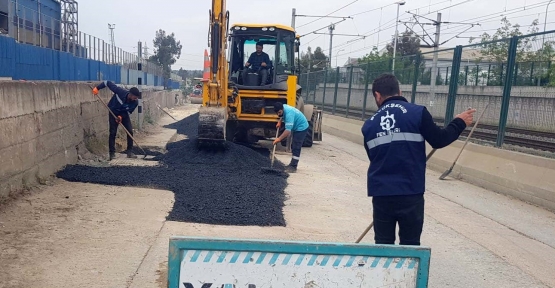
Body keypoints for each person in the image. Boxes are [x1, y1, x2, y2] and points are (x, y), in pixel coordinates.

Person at [361, 73, 476, 246]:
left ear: (377, 95)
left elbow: (375, 158)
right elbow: (439, 140)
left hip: (382, 194)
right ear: (399, 91)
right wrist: (459, 122)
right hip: (410, 192)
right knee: (410, 245)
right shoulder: (418, 113)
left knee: (383, 246)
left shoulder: (369, 125)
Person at [92, 81, 142, 161]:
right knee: (113, 132)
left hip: (124, 114)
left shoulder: (135, 103)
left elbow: (129, 112)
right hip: (113, 111)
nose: (136, 99)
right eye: (135, 97)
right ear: (131, 94)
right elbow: (107, 82)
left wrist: (121, 116)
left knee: (130, 131)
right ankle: (112, 153)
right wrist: (97, 88)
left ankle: (129, 151)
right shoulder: (120, 91)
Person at [273, 102, 309, 173]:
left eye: (279, 112)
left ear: (282, 109)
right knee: (294, 145)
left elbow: (288, 131)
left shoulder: (289, 113)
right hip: (296, 126)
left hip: (301, 127)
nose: (278, 114)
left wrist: (279, 139)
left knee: (296, 146)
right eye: (277, 113)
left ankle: (293, 166)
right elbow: (282, 115)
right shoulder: (283, 107)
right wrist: (280, 121)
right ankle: (291, 164)